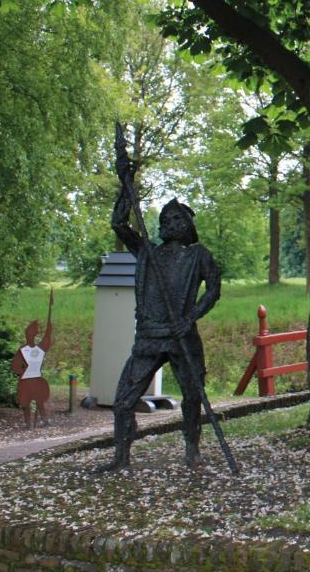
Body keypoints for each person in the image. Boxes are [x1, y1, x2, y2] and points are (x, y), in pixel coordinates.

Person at [96, 160, 221, 472]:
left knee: (192, 397)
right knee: (124, 401)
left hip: (181, 338)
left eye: (173, 218)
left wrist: (189, 317)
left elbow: (213, 291)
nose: (166, 222)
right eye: (164, 218)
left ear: (186, 226)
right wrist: (127, 185)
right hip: (149, 338)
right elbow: (118, 225)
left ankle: (192, 448)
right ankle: (120, 457)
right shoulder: (147, 253)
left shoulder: (198, 255)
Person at [10, 298, 52, 429]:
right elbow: (15, 366)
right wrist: (22, 369)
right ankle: (29, 423)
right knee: (26, 403)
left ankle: (44, 420)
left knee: (40, 401)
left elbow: (47, 339)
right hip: (26, 380)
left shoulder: (38, 349)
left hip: (36, 379)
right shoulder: (23, 350)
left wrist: (49, 330)